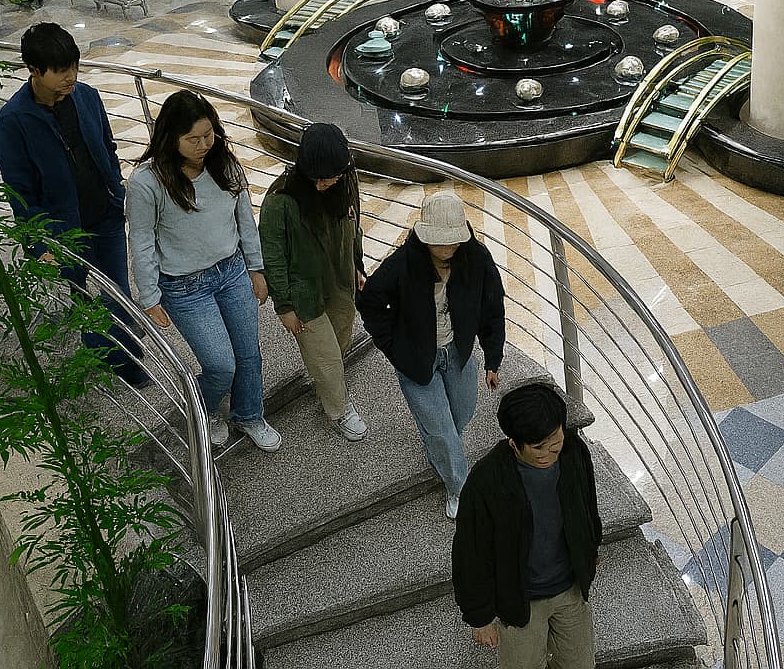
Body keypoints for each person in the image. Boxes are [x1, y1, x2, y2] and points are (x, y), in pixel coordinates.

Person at [0, 22, 148, 387]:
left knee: (118, 291)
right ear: (34, 70)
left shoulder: (87, 97)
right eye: (62, 71)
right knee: (90, 300)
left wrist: (117, 189)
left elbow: (107, 148)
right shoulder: (13, 122)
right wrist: (37, 243)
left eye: (74, 67)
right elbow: (19, 191)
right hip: (65, 233)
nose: (71, 77)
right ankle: (116, 359)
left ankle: (119, 343)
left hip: (106, 215)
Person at [127, 90, 282, 451]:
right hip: (184, 286)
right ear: (171, 138)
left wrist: (256, 269)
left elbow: (245, 219)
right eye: (192, 139)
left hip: (231, 272)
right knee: (220, 365)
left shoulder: (225, 164)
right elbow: (142, 240)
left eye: (208, 135)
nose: (203, 145)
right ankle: (203, 410)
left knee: (248, 354)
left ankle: (248, 413)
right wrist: (149, 296)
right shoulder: (147, 183)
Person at [357, 192, 506, 519]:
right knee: (441, 431)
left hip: (458, 353)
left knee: (461, 414)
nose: (446, 250)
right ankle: (459, 487)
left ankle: (439, 450)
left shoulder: (476, 259)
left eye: (452, 243)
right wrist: (393, 347)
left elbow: (492, 308)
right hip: (415, 359)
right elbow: (368, 303)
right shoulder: (402, 265)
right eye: (439, 243)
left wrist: (492, 359)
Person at [452, 382, 600, 668]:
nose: (549, 453)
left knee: (581, 664)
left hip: (568, 590)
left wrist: (591, 545)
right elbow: (470, 553)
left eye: (554, 442)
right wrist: (479, 616)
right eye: (538, 447)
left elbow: (587, 503)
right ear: (514, 444)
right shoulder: (487, 481)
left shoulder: (574, 452)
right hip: (520, 600)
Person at [259, 123, 369, 442]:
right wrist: (284, 306)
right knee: (326, 355)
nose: (325, 183)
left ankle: (324, 381)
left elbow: (354, 224)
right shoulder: (280, 200)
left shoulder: (346, 179)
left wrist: (358, 264)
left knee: (341, 339)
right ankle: (338, 410)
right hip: (303, 292)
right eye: (318, 178)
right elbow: (274, 255)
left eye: (331, 176)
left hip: (339, 282)